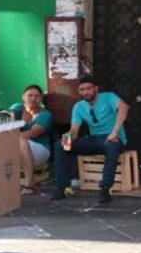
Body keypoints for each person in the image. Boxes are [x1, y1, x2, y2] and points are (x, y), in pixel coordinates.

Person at [52, 75, 129, 204]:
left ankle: (105, 188)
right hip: (94, 140)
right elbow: (74, 131)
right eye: (82, 89)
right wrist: (66, 139)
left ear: (96, 88)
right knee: (60, 145)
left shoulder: (108, 97)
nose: (86, 92)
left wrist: (115, 132)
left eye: (88, 88)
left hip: (113, 138)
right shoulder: (79, 106)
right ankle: (63, 187)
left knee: (112, 146)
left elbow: (124, 107)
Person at [10, 84, 54, 196]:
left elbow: (33, 133)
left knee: (22, 141)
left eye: (37, 96)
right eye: (30, 95)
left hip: (40, 150)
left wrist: (8, 139)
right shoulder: (17, 108)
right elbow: (5, 123)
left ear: (41, 99)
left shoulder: (45, 114)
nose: (33, 99)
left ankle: (29, 184)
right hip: (15, 148)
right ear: (23, 97)